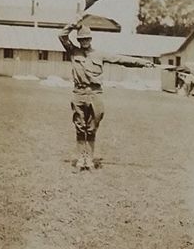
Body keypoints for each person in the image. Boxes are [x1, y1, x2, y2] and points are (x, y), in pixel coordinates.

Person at [59, 20, 154, 171]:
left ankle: (89, 159)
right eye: (81, 39)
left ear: (91, 39)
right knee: (79, 127)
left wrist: (141, 62)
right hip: (79, 93)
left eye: (87, 39)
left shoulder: (99, 54)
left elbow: (120, 59)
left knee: (91, 128)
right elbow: (62, 35)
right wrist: (72, 24)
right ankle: (80, 159)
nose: (84, 41)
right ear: (79, 40)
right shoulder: (73, 51)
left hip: (95, 93)